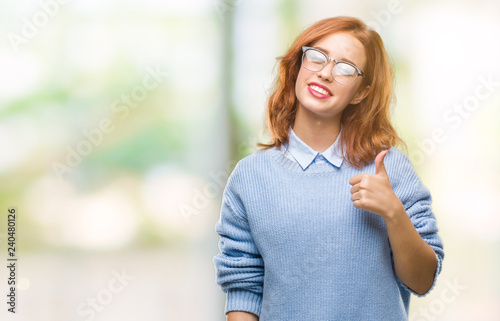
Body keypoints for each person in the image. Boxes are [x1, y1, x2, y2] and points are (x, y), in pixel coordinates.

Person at [213, 16, 444, 320]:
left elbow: (422, 280)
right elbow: (244, 289)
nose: (325, 73)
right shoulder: (250, 177)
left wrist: (394, 212)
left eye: (346, 69)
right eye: (317, 57)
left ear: (361, 92)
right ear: (298, 66)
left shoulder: (389, 169)